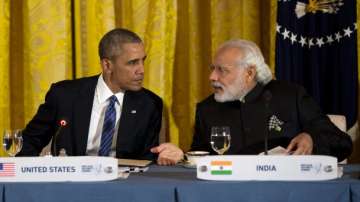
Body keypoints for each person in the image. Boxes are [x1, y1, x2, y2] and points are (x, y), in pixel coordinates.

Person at [151, 39, 353, 165]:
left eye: (222, 70)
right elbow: (203, 160)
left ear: (249, 73)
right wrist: (183, 156)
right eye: (212, 68)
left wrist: (311, 138)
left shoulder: (291, 96)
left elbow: (342, 143)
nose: (212, 76)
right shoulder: (207, 109)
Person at [18, 28, 163, 160]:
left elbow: (147, 160)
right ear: (107, 65)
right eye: (132, 63)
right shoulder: (64, 95)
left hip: (122, 184)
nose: (141, 70)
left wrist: (165, 155)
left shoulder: (149, 104)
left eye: (142, 61)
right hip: (70, 183)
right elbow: (28, 142)